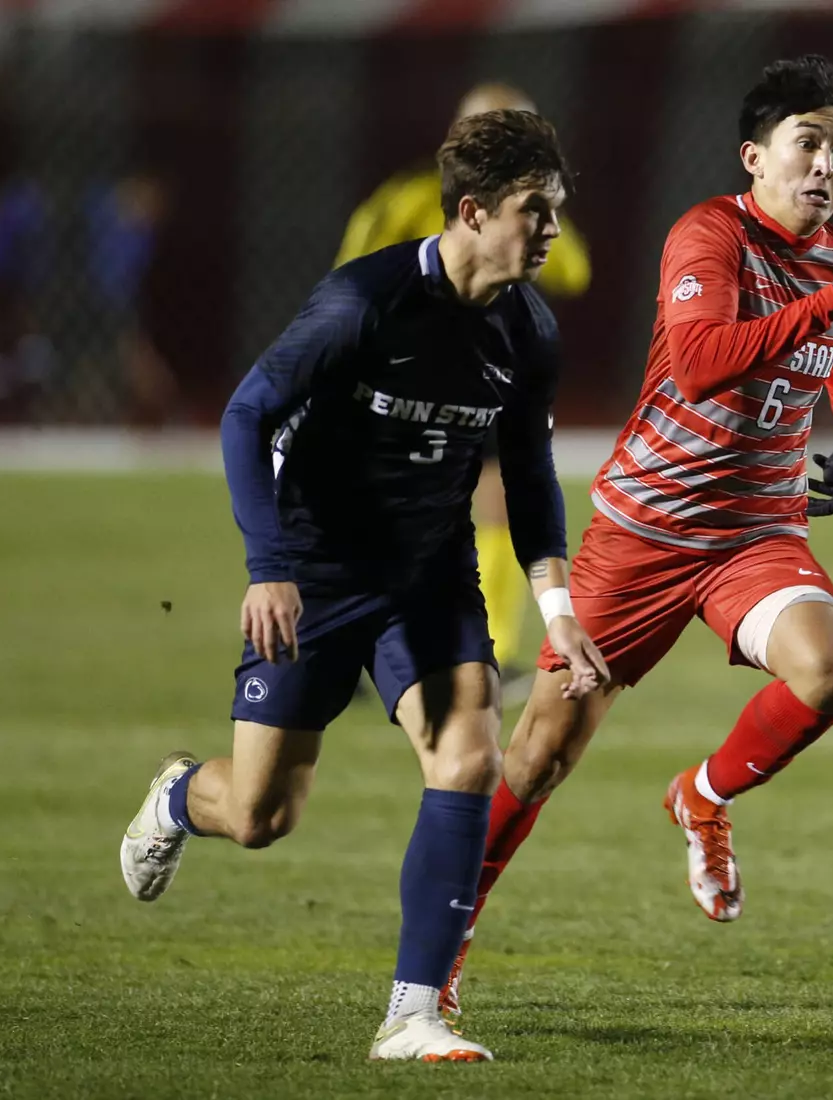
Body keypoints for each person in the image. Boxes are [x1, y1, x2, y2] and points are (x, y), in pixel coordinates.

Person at [118, 109, 607, 1063]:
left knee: (467, 758)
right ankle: (179, 797)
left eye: (556, 208)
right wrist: (269, 569)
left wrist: (556, 610)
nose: (552, 228)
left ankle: (413, 1014)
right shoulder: (363, 301)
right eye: (534, 209)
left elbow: (532, 480)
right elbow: (246, 415)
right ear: (473, 212)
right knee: (261, 816)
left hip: (430, 577)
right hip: (316, 574)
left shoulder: (528, 330)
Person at [431, 54, 833, 1024]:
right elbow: (698, 363)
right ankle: (443, 944)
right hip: (645, 533)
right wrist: (831, 301)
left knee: (827, 671)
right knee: (538, 756)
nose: (825, 164)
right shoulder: (709, 235)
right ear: (755, 157)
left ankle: (702, 795)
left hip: (754, 535)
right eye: (808, 144)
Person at [338, 81, 593, 694]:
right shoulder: (409, 199)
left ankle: (490, 651)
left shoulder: (533, 211)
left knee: (499, 499)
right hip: (404, 375)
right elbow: (351, 274)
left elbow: (574, 272)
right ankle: (361, 642)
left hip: (488, 370)